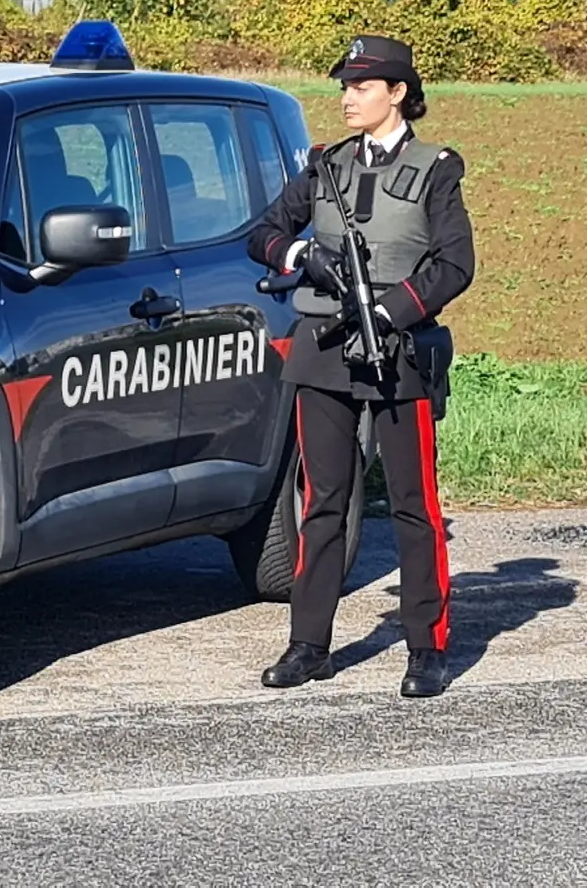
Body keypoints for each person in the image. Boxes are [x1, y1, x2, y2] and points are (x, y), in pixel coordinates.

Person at [245, 34, 475, 699]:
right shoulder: (325, 166)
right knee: (322, 504)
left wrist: (394, 311)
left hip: (397, 351)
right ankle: (308, 645)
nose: (347, 97)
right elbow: (260, 233)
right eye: (344, 86)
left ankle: (427, 648)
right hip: (322, 350)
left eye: (361, 87)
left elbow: (454, 264)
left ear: (398, 93)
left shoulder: (437, 169)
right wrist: (299, 258)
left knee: (414, 506)